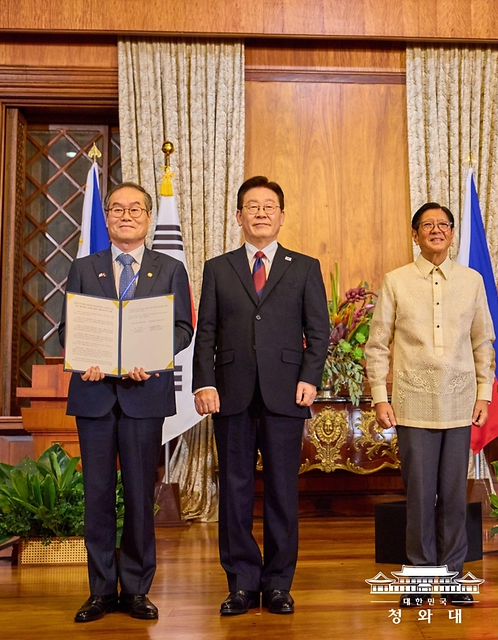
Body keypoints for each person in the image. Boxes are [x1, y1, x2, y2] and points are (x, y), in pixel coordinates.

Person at [192, 175, 329, 616]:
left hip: (287, 394)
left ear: (282, 216)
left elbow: (319, 331)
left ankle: (277, 585)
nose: (261, 213)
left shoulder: (304, 267)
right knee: (233, 491)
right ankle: (241, 583)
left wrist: (310, 377)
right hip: (229, 394)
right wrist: (204, 381)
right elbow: (206, 332)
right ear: (238, 216)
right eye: (253, 207)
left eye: (269, 207)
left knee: (282, 492)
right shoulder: (218, 267)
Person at [60, 182, 194, 623]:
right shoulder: (84, 267)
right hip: (95, 393)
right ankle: (99, 591)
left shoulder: (170, 268)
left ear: (148, 217)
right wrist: (86, 359)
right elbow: (69, 329)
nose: (126, 215)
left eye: (135, 208)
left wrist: (151, 356)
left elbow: (182, 329)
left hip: (143, 394)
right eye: (117, 208)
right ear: (107, 217)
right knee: (97, 496)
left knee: (139, 496)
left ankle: (135, 590)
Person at [365, 202, 495, 607]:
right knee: (420, 495)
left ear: (453, 233)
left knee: (455, 495)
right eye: (427, 225)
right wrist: (380, 398)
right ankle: (420, 578)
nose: (436, 231)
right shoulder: (396, 281)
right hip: (411, 402)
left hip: (460, 403)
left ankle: (454, 578)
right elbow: (377, 346)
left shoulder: (471, 281)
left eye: (443, 225)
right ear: (415, 234)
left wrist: (484, 394)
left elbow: (482, 342)